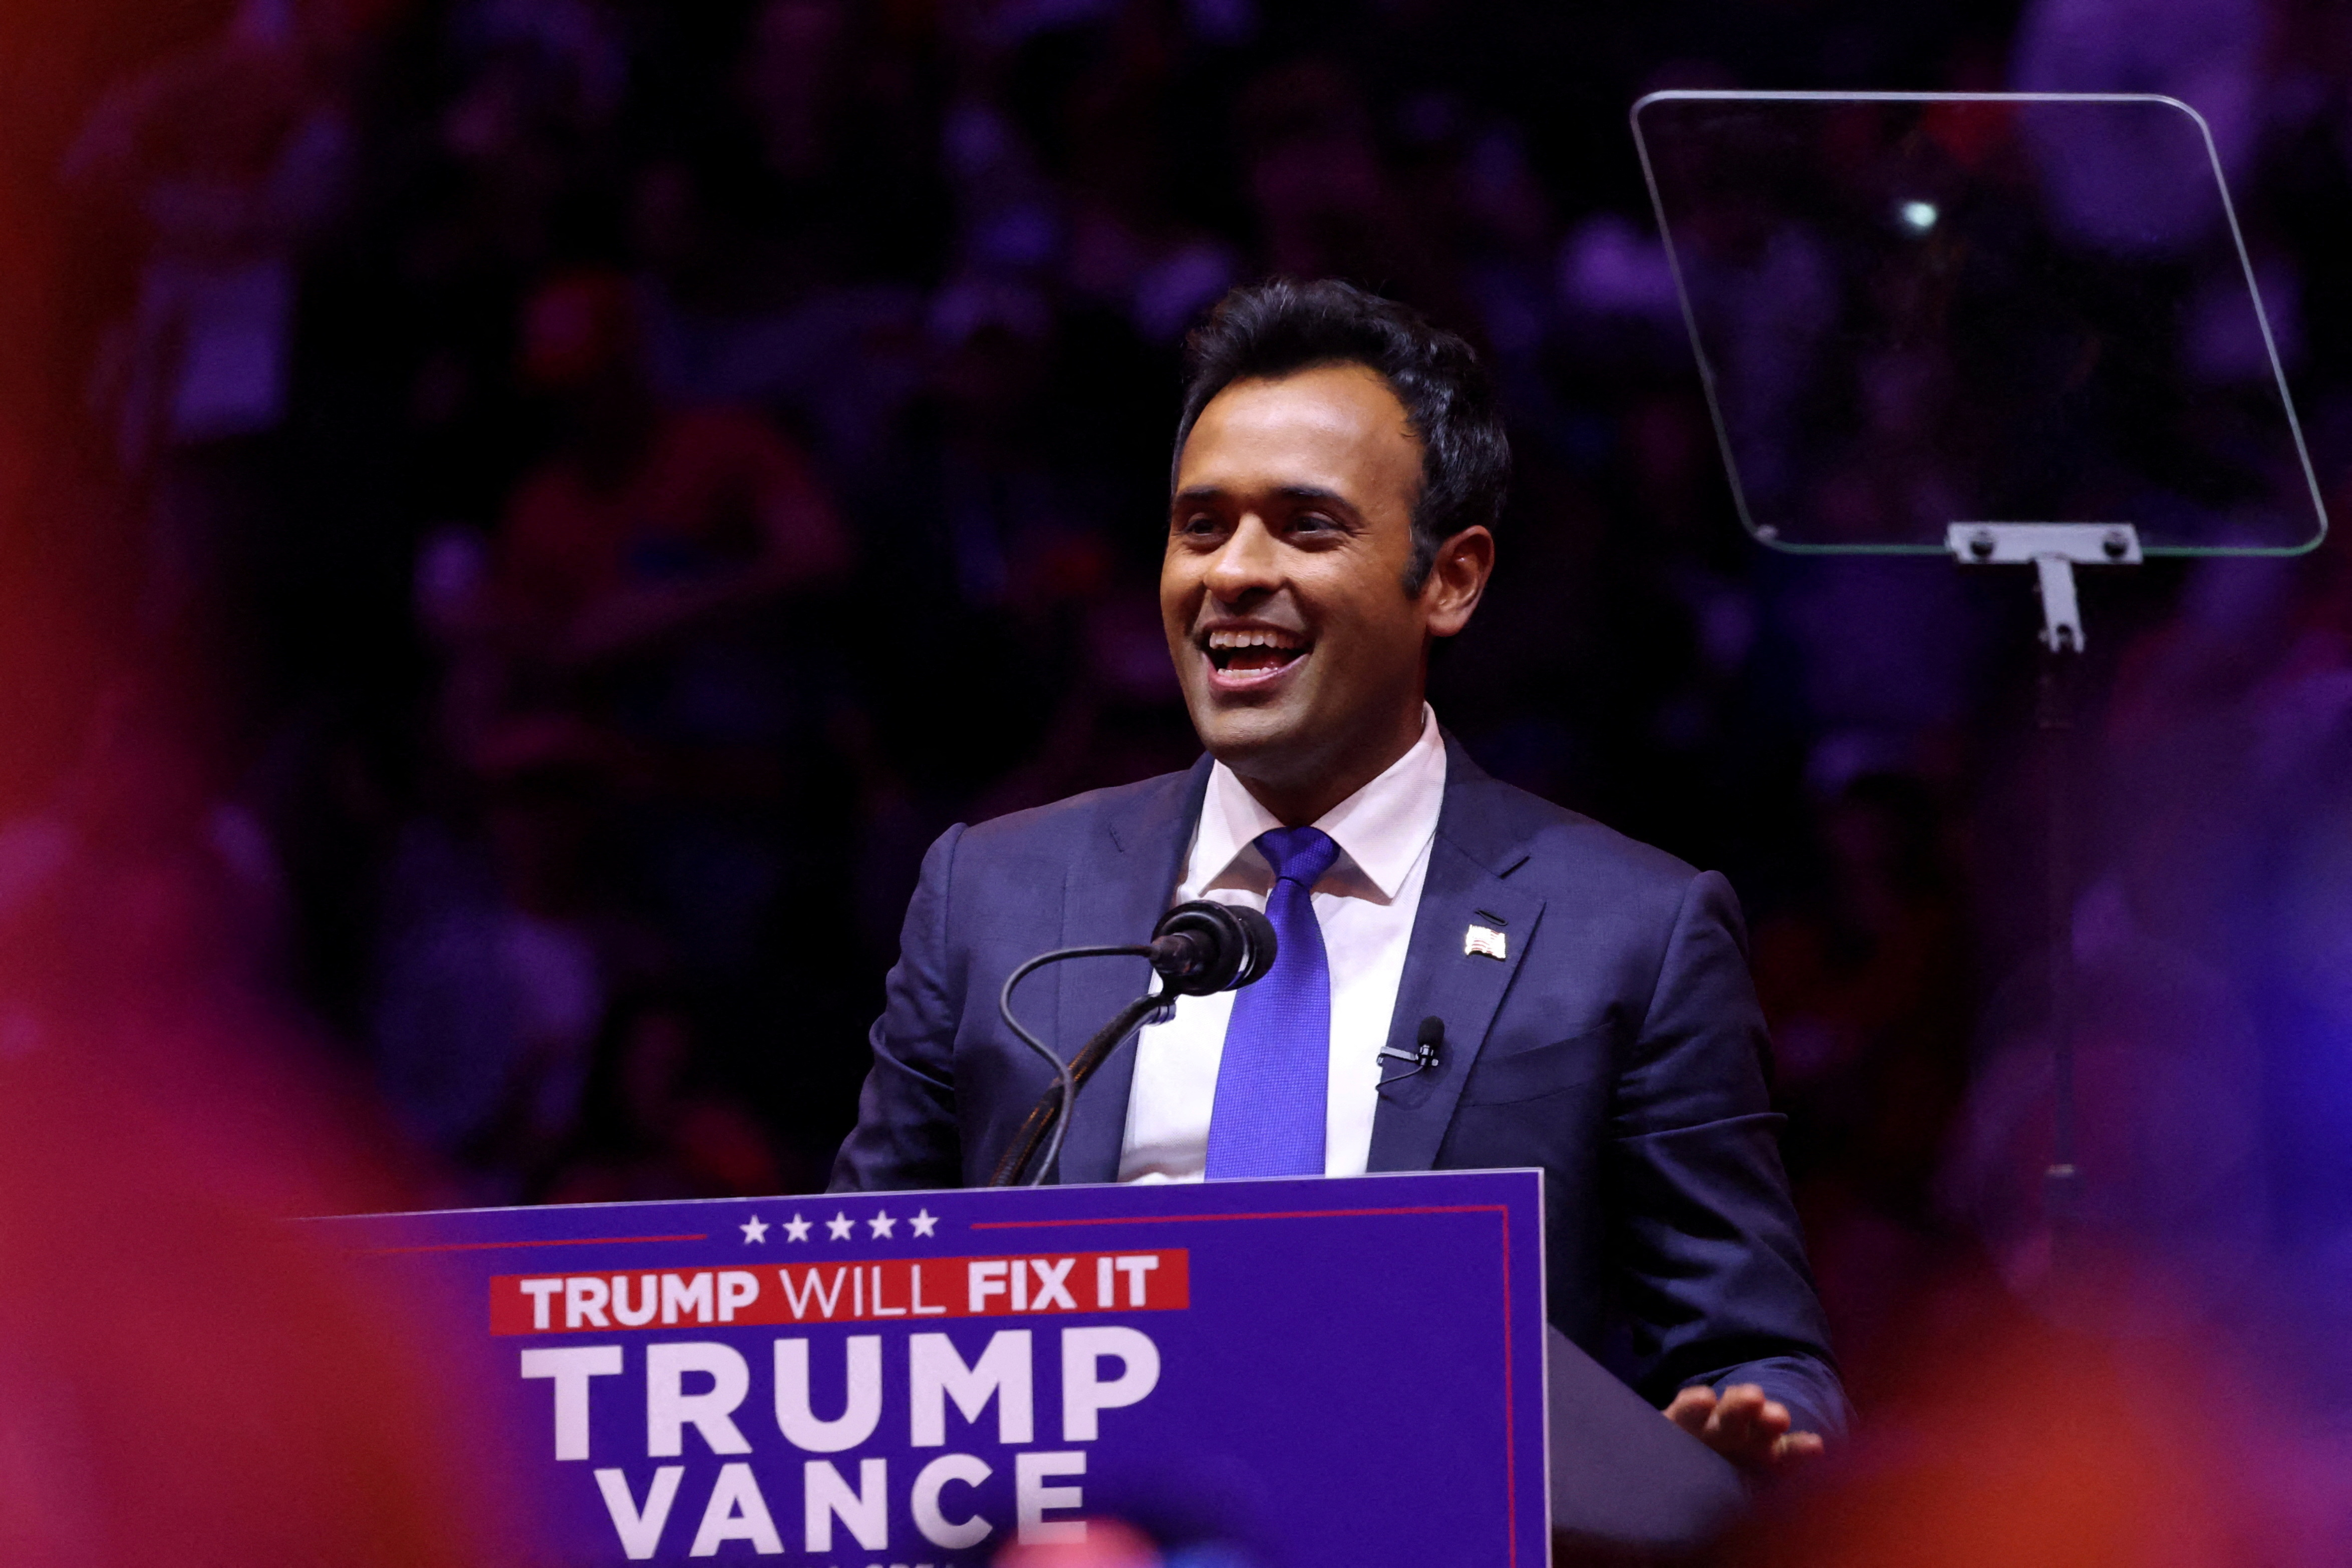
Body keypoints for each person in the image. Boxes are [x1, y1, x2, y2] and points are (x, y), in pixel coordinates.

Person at [831, 278, 1845, 1468]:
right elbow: (849, 1307)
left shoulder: (1630, 932)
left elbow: (1756, 1361)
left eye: (1305, 527)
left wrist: (1741, 1443)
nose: (1230, 574)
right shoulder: (989, 898)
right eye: (1199, 526)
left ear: (1451, 580)